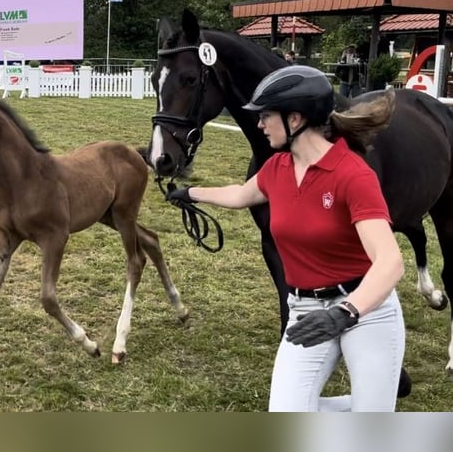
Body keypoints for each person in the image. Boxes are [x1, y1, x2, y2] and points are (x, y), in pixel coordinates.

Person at [166, 65, 405, 412]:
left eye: (266, 116)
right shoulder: (276, 168)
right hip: (305, 308)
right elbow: (240, 194)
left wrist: (346, 312)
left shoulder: (352, 175)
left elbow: (390, 261)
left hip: (367, 310)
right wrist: (191, 193)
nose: (259, 125)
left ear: (295, 120)